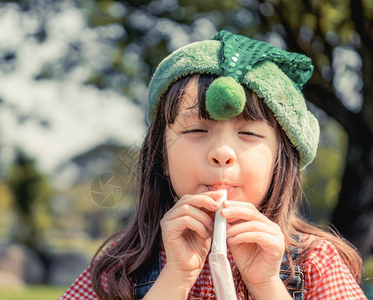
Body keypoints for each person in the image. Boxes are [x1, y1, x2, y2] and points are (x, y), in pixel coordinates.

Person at [59, 30, 367, 299]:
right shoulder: (123, 266)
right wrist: (175, 278)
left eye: (248, 133)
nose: (221, 152)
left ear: (280, 161)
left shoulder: (316, 264)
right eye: (195, 130)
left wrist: (267, 284)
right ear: (161, 157)